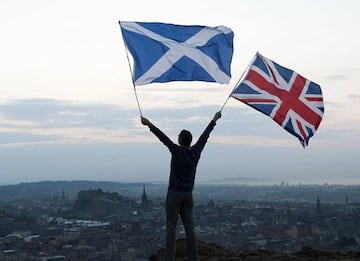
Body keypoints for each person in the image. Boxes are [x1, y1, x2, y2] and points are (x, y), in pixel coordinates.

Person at [141, 111, 222, 261]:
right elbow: (205, 136)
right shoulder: (195, 152)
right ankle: (194, 257)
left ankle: (169, 258)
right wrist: (214, 120)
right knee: (189, 227)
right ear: (190, 141)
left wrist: (149, 124)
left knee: (171, 226)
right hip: (188, 194)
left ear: (180, 140)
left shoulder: (177, 151)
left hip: (174, 193)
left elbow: (163, 138)